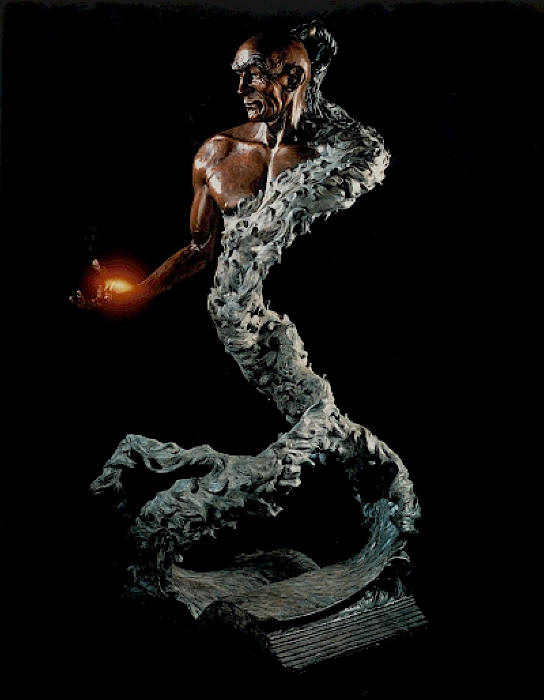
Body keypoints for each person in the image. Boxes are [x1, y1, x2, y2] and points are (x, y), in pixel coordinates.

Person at [72, 31, 318, 309]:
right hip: (238, 320)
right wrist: (136, 293)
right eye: (240, 76)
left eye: (254, 75)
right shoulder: (217, 154)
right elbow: (200, 250)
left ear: (293, 79)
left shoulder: (338, 155)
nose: (241, 88)